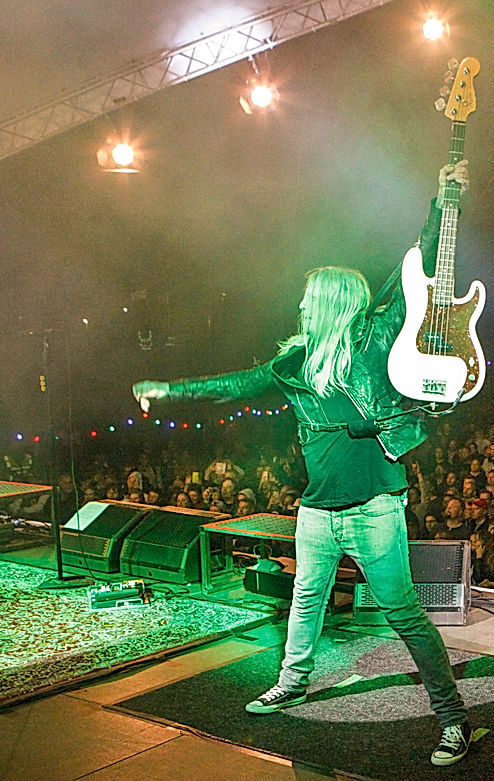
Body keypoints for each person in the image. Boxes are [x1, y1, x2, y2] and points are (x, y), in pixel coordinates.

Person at [131, 161, 474, 768]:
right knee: (306, 599)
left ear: (330, 302)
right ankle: (293, 680)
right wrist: (169, 389)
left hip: (374, 508)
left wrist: (443, 198)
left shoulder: (373, 337)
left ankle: (452, 718)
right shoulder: (293, 365)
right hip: (317, 510)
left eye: (306, 297)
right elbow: (233, 384)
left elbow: (417, 267)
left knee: (403, 614)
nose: (298, 304)